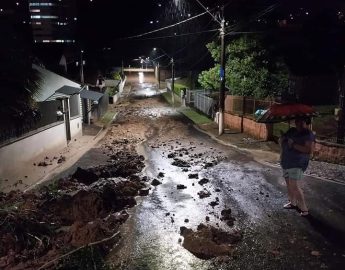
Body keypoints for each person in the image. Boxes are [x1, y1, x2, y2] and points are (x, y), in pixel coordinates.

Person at [279, 116, 315, 217]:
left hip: (297, 163)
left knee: (294, 186)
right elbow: (284, 142)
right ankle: (293, 202)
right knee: (289, 184)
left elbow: (308, 150)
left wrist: (293, 144)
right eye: (297, 120)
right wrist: (282, 139)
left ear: (306, 122)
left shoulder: (308, 134)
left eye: (301, 121)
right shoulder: (291, 130)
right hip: (286, 161)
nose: (298, 123)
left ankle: (304, 209)